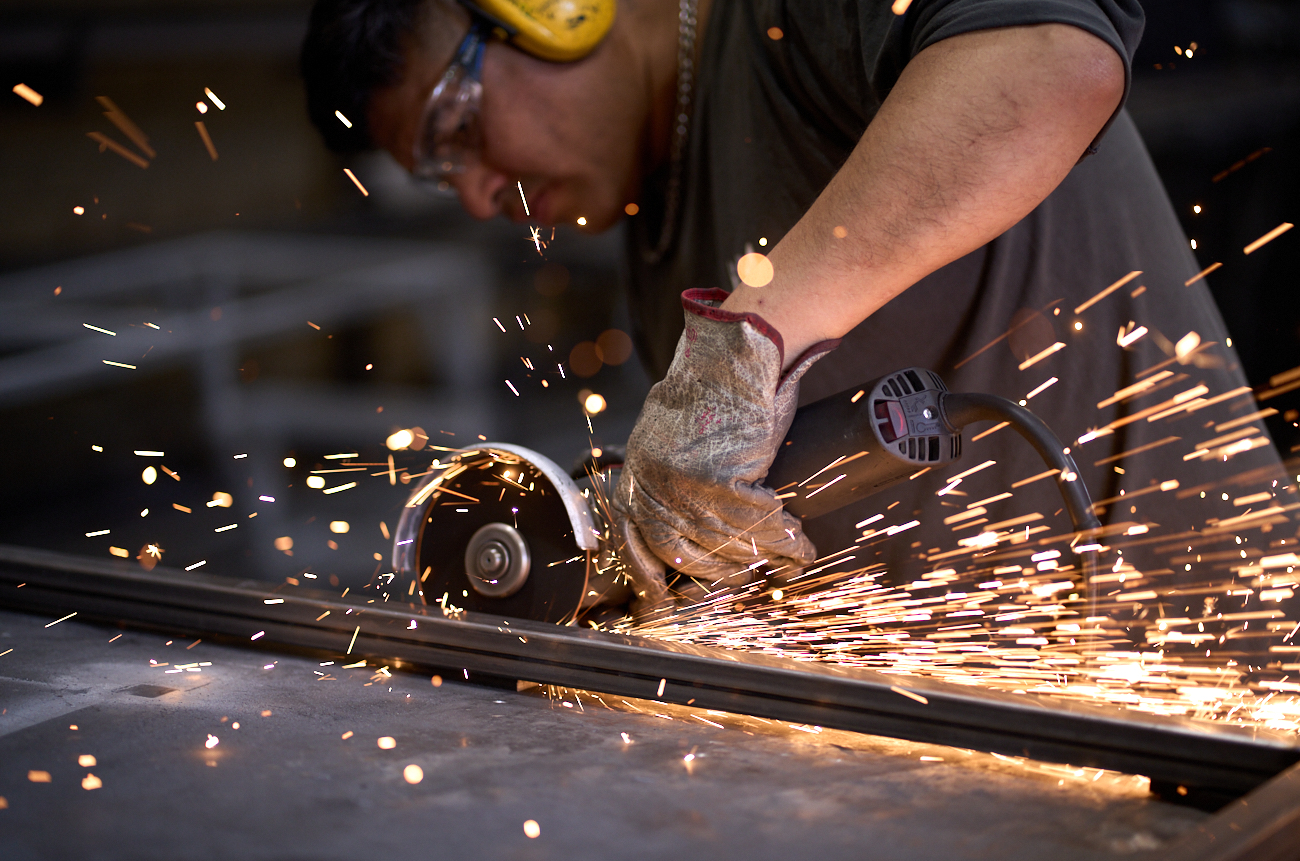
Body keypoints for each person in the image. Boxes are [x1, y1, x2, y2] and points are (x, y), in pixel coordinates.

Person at [302, 0, 1294, 623]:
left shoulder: (780, 21)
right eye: (441, 178)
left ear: (555, 10)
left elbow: (1046, 58)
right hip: (1003, 725)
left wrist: (755, 335)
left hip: (1205, 657)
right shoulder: (657, 225)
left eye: (457, 129)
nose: (476, 196)